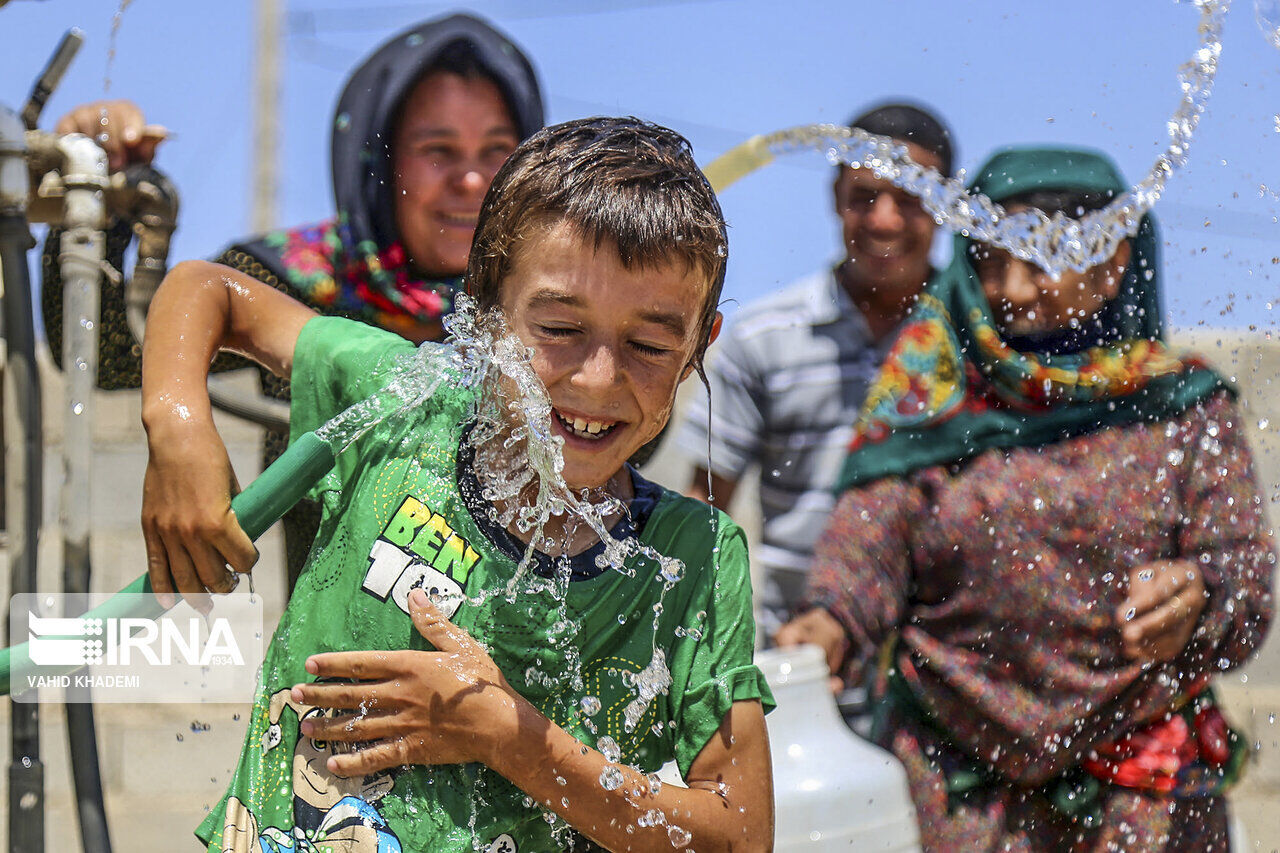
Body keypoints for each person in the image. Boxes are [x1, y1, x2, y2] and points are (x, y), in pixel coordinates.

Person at [140, 117, 774, 852]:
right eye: (560, 328)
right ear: (483, 303)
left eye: (651, 345)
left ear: (701, 343)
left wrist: (510, 736)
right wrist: (179, 423)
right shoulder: (404, 404)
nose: (598, 378)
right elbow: (207, 290)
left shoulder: (691, 557)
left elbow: (740, 833)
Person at [779, 146, 1274, 850]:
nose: (1011, 287)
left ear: (1112, 261)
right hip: (961, 784)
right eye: (988, 258)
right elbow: (867, 543)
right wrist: (829, 621)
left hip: (1142, 791)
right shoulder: (931, 394)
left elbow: (1246, 578)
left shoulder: (1182, 405)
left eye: (1040, 257)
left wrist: (1199, 594)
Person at [48, 12, 545, 588]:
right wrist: (96, 188)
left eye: (497, 150)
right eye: (438, 150)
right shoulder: (291, 284)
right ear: (380, 160)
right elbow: (105, 353)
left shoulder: (554, 305)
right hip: (327, 669)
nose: (469, 180)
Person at [674, 103, 954, 631]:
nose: (884, 219)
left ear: (947, 204)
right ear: (835, 198)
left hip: (933, 669)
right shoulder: (764, 340)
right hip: (787, 658)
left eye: (910, 197)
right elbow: (705, 507)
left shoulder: (972, 345)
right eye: (865, 196)